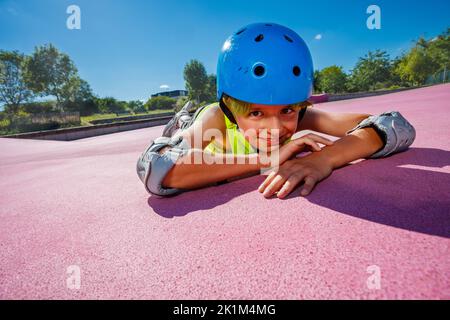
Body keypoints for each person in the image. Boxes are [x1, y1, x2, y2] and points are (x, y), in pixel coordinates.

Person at [137, 22, 415, 198]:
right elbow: (158, 167)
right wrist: (269, 160)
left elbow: (393, 126)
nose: (274, 128)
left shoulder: (306, 115)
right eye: (255, 113)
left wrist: (323, 160)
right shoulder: (217, 118)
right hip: (194, 129)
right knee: (185, 131)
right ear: (231, 109)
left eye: (286, 111)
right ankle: (182, 120)